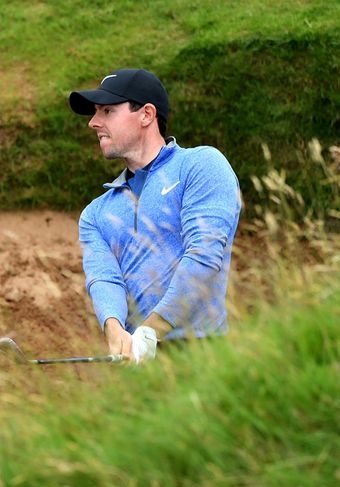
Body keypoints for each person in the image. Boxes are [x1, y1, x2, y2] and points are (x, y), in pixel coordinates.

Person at [69, 68, 242, 363]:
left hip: (205, 355)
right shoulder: (96, 214)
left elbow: (203, 256)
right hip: (140, 364)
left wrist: (151, 331)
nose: (94, 123)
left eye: (107, 111)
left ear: (146, 115)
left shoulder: (201, 165)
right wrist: (116, 331)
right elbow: (105, 279)